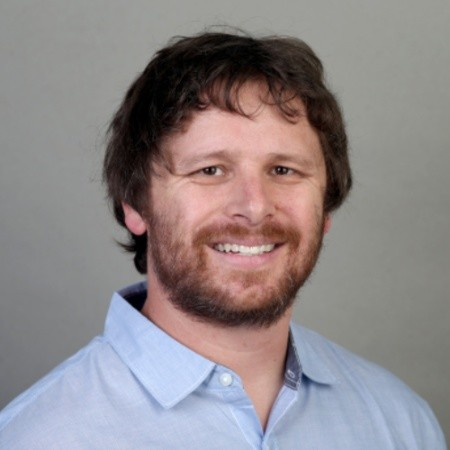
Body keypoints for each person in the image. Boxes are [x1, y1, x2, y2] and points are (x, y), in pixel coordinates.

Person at [0, 30, 446, 449]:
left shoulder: (400, 423)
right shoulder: (40, 437)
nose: (254, 206)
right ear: (134, 205)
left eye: (284, 170)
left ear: (326, 207)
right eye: (210, 170)